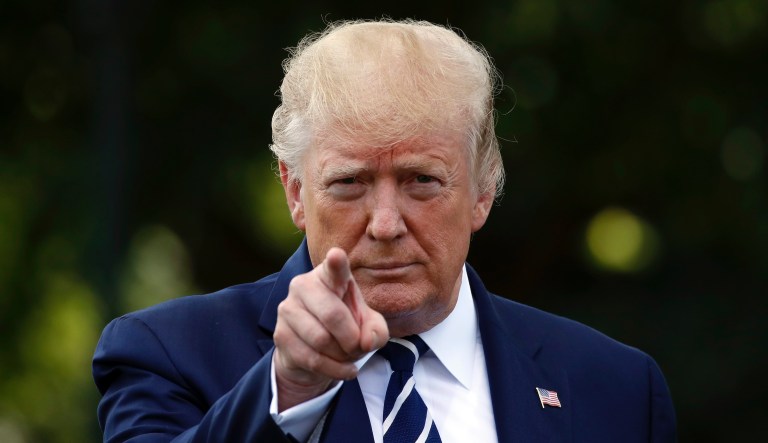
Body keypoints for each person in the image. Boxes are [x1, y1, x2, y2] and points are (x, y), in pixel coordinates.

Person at [92, 18, 677, 442]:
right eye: (349, 183)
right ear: (295, 190)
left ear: (483, 189)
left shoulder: (615, 387)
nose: (386, 224)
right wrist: (289, 390)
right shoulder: (166, 354)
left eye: (422, 180)